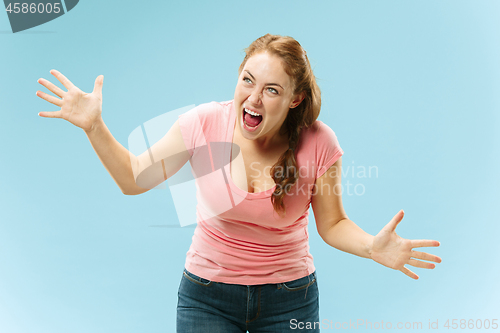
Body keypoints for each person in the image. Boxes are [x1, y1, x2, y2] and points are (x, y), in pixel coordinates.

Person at [36, 34, 441, 333]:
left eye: (271, 90)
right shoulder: (203, 124)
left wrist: (372, 247)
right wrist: (94, 126)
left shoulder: (320, 143)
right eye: (248, 80)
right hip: (205, 296)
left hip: (291, 298)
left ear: (295, 99)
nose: (254, 99)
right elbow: (133, 178)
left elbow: (332, 224)